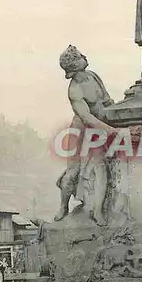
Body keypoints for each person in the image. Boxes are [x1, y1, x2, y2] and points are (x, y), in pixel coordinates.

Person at [54, 45, 116, 224]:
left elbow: (106, 99)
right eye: (81, 56)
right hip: (80, 131)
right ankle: (63, 206)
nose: (85, 56)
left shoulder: (93, 76)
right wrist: (112, 130)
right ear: (74, 65)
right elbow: (87, 117)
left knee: (100, 166)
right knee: (72, 173)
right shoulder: (74, 89)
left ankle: (98, 211)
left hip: (98, 128)